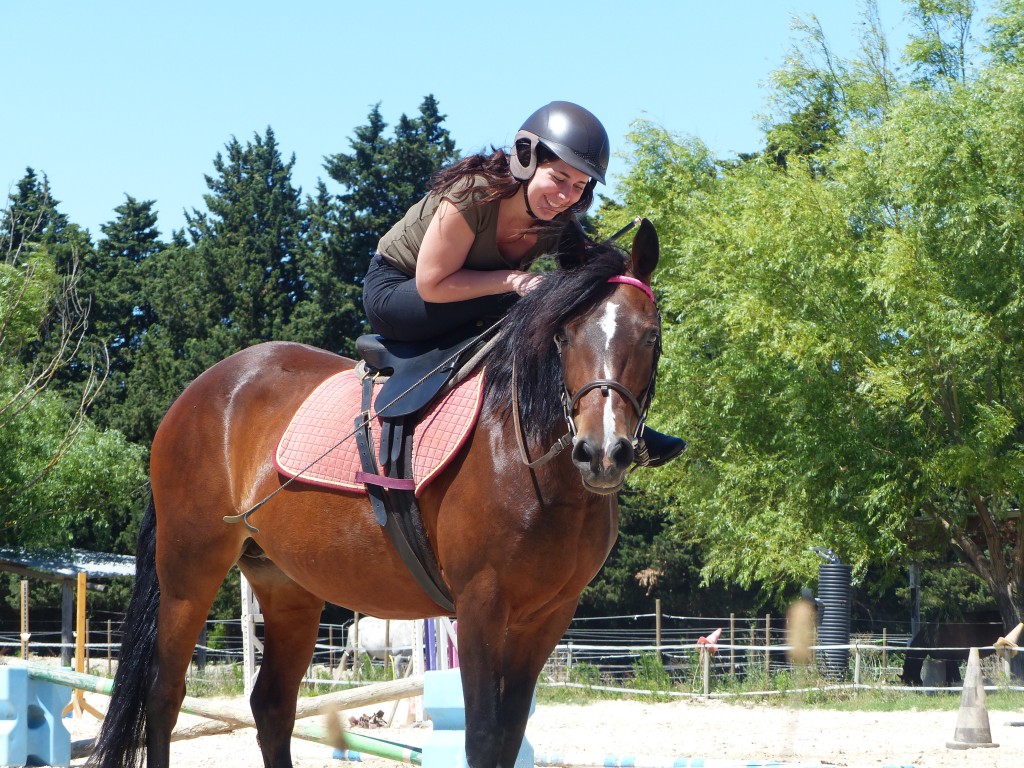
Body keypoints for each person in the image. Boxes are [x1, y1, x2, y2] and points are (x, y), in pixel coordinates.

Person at [362, 101, 685, 467]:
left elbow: (589, 290)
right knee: (539, 304)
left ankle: (622, 426)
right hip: (398, 294)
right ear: (527, 160)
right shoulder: (472, 194)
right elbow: (433, 285)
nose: (566, 196)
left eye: (580, 185)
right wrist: (515, 280)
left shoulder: (559, 221)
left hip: (471, 301)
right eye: (559, 178)